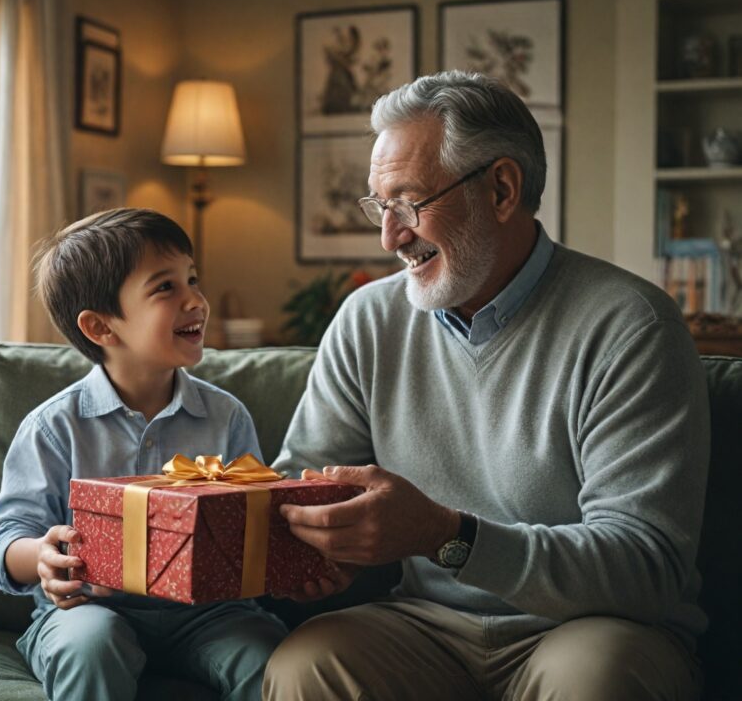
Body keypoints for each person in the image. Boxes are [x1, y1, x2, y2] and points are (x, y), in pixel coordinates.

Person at [264, 71, 708, 700]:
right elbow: (298, 490)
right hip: (425, 624)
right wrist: (316, 553)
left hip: (589, 627)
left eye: (409, 203)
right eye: (380, 206)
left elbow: (644, 566)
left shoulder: (630, 326)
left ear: (501, 189)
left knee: (596, 677)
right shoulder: (368, 319)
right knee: (306, 662)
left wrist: (446, 535)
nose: (390, 236)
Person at [0, 208, 286, 701]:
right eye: (165, 288)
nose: (195, 299)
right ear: (101, 328)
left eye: (192, 279)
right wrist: (41, 556)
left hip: (210, 614)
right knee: (90, 645)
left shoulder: (226, 417)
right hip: (87, 612)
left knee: (270, 658)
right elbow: (6, 539)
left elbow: (256, 517)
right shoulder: (54, 427)